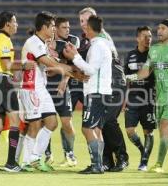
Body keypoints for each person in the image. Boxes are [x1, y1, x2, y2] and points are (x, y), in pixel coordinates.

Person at [126, 19, 168, 173]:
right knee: (166, 134)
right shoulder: (154, 50)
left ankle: (159, 165)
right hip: (160, 96)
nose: (159, 31)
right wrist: (129, 78)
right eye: (158, 28)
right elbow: (145, 72)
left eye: (163, 28)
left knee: (164, 127)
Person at [19, 11, 74, 172]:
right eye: (51, 26)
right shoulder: (33, 42)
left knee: (52, 122)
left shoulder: (42, 43)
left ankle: (35, 158)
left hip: (40, 88)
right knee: (35, 124)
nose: (53, 30)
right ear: (43, 27)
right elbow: (47, 62)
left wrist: (65, 69)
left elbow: (49, 64)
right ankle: (26, 162)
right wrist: (68, 69)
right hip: (30, 88)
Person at [77, 7, 129, 172]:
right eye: (81, 21)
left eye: (86, 21)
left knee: (108, 121)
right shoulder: (91, 40)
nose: (83, 25)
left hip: (113, 82)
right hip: (105, 82)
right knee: (99, 125)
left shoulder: (102, 39)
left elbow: (91, 63)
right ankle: (104, 161)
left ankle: (122, 158)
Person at [0, 11, 35, 173]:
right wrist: (25, 66)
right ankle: (11, 162)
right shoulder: (4, 39)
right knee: (14, 121)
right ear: (7, 24)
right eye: (14, 21)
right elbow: (7, 65)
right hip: (3, 81)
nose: (16, 25)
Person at [63, 15, 112, 174]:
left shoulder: (97, 46)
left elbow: (91, 70)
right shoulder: (102, 44)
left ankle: (96, 165)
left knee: (87, 128)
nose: (84, 29)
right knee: (97, 129)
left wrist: (74, 56)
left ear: (90, 29)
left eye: (86, 27)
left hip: (96, 93)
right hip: (103, 92)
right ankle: (99, 164)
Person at [44, 17, 79, 167]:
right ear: (56, 29)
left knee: (67, 123)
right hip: (45, 88)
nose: (68, 30)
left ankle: (70, 153)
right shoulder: (42, 44)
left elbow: (71, 68)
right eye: (64, 27)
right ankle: (47, 155)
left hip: (61, 89)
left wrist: (64, 82)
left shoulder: (66, 46)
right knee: (45, 123)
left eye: (68, 27)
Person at [124, 26, 156, 171]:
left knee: (148, 131)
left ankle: (144, 162)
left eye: (150, 36)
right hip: (133, 98)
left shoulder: (154, 55)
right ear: (137, 38)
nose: (148, 39)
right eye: (144, 36)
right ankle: (142, 150)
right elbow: (124, 77)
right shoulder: (129, 55)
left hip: (149, 98)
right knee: (130, 131)